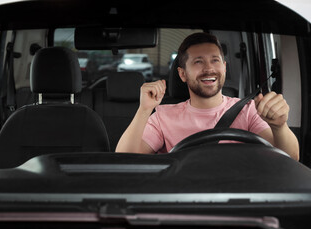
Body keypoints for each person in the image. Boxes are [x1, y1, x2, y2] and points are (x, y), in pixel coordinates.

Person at [115, 32, 299, 161]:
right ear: (182, 74)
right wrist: (144, 109)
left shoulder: (249, 110)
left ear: (224, 67)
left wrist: (279, 125)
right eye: (198, 62)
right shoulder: (163, 116)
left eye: (215, 60)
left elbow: (290, 158)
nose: (209, 69)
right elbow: (125, 160)